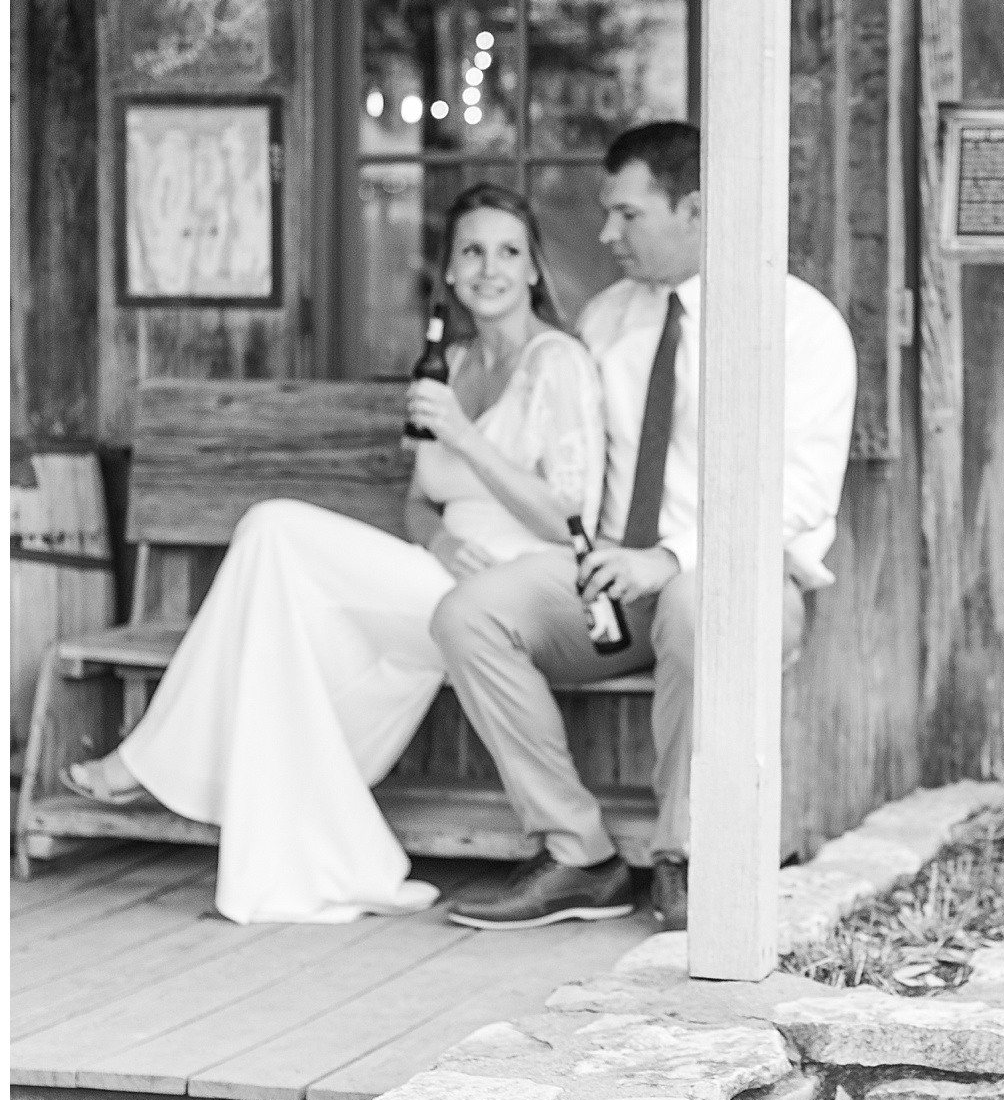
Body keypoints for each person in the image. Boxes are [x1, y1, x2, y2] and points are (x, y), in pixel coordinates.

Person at [59, 185, 606, 924]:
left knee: (275, 530)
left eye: (508, 251)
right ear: (447, 270)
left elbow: (572, 516)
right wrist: (443, 538)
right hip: (438, 576)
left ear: (534, 269)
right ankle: (198, 779)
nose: (489, 269)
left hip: (515, 602)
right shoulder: (456, 365)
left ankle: (152, 756)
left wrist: (468, 439)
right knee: (275, 584)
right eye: (471, 251)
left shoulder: (559, 363)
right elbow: (420, 499)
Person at [431, 121, 857, 933]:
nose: (605, 233)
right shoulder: (606, 319)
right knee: (469, 612)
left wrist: (670, 558)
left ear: (695, 209)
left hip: (747, 586)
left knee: (701, 603)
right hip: (612, 587)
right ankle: (577, 853)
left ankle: (687, 856)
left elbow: (798, 495)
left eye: (627, 214)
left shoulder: (798, 326)